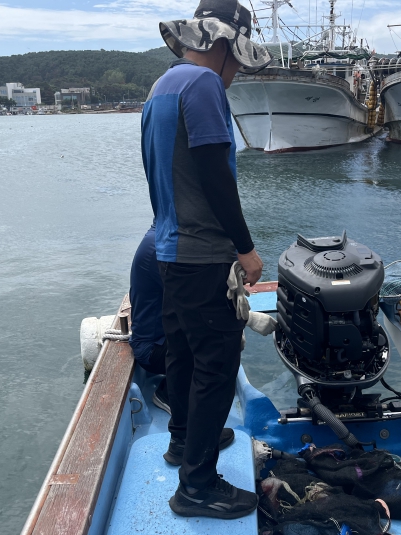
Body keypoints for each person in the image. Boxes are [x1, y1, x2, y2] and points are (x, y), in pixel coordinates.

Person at [141, 0, 271, 520]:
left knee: (183, 352)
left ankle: (182, 440)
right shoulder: (204, 85)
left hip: (168, 248)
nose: (235, 72)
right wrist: (245, 248)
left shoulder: (161, 86)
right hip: (203, 255)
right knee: (217, 366)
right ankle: (197, 487)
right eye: (237, 58)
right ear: (222, 44)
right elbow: (215, 174)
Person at [128, 222, 170, 413]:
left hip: (164, 337)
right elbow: (194, 302)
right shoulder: (160, 248)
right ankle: (169, 394)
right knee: (217, 340)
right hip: (153, 348)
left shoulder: (163, 236)